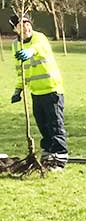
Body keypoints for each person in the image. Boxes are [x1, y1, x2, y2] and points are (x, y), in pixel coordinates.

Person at [10, 14, 67, 169]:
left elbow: (40, 48)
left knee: (55, 125)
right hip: (36, 92)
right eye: (21, 25)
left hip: (51, 89)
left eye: (27, 23)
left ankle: (60, 158)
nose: (26, 28)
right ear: (15, 30)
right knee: (43, 126)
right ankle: (48, 154)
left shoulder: (39, 38)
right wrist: (18, 89)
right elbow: (20, 71)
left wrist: (31, 51)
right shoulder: (16, 45)